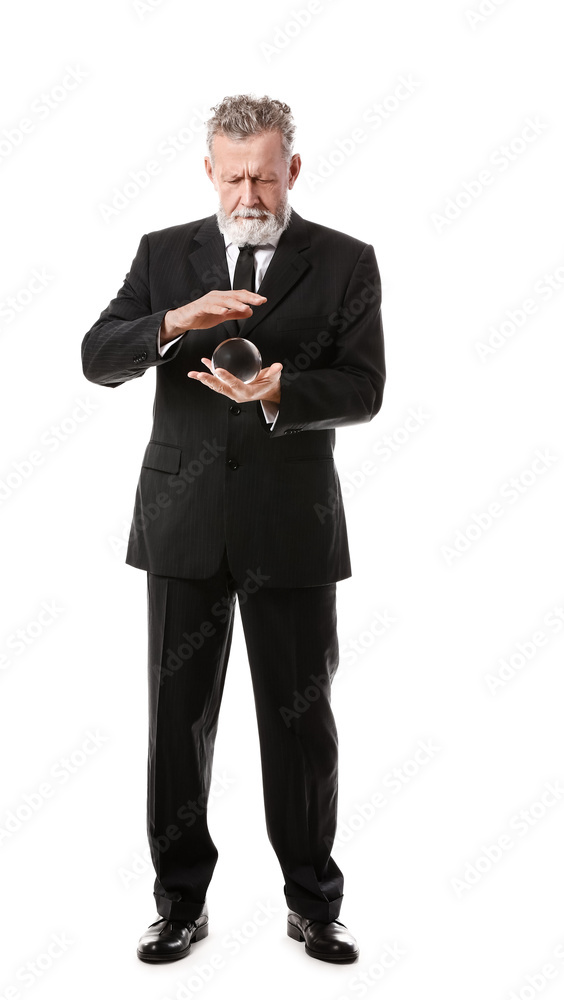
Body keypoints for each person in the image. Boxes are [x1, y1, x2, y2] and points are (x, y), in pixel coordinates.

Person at [81, 94, 386, 964]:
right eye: (234, 175)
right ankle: (179, 904)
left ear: (294, 169)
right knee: (176, 722)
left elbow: (365, 389)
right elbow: (97, 358)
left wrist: (282, 389)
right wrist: (174, 321)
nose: (249, 192)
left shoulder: (346, 260)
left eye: (265, 175)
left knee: (301, 724)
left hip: (293, 527)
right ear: (210, 171)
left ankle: (313, 904)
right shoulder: (162, 254)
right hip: (181, 523)